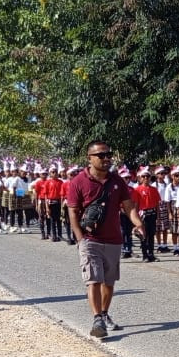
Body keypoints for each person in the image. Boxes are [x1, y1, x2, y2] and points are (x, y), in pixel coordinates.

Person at [66, 140, 145, 340]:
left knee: (108, 282)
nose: (106, 158)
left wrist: (138, 223)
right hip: (90, 239)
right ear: (89, 158)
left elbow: (128, 206)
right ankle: (97, 320)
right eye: (101, 155)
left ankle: (104, 313)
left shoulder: (117, 181)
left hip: (113, 240)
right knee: (94, 279)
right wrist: (80, 239)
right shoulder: (78, 182)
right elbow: (73, 212)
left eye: (108, 154)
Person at [132, 168, 162, 263]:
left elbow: (157, 204)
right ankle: (145, 255)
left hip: (152, 214)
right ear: (140, 178)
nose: (146, 178)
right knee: (143, 235)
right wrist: (136, 218)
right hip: (143, 215)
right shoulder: (137, 190)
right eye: (144, 176)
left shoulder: (154, 189)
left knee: (151, 235)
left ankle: (151, 254)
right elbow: (136, 205)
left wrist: (158, 217)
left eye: (147, 176)